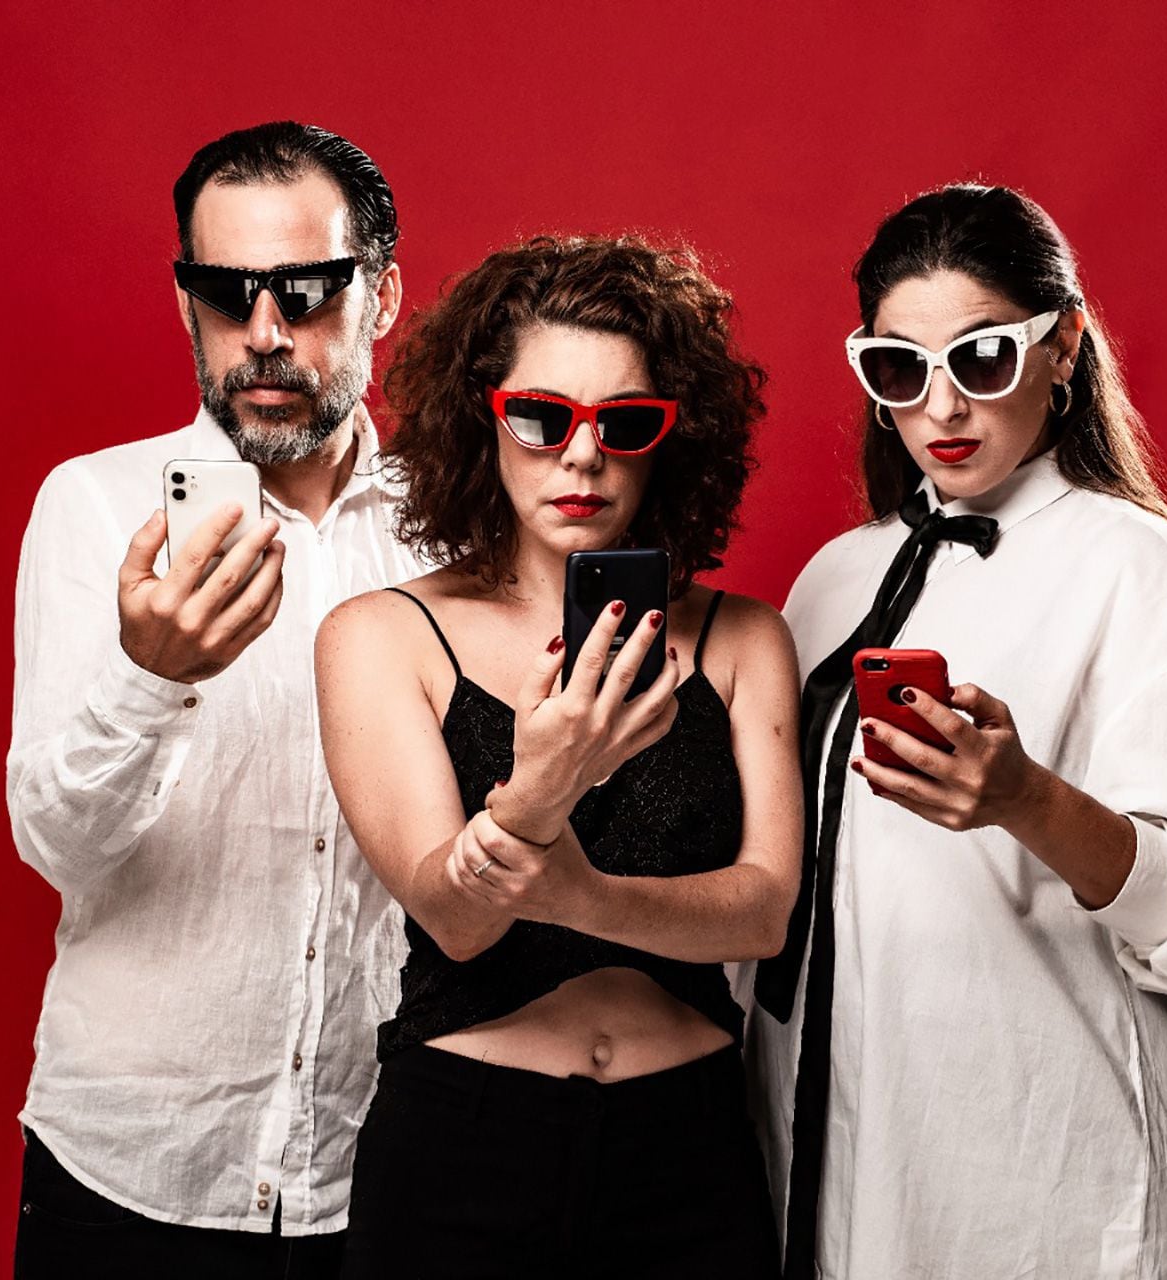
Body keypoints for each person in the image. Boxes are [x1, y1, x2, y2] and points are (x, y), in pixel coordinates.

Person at [748, 183, 1167, 1279]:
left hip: (1068, 1189)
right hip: (853, 1175)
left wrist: (1026, 799)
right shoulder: (830, 583)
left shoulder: (1145, 573)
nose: (942, 406)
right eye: (899, 369)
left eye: (984, 357)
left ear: (1063, 345)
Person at [315, 234, 800, 1276]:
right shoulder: (383, 635)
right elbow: (455, 916)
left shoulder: (744, 638)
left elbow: (765, 911)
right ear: (481, 421)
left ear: (672, 436)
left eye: (623, 422)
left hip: (690, 1149)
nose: (582, 457)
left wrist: (580, 895)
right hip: (462, 1146)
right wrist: (541, 788)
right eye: (541, 418)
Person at [7, 122, 417, 1276]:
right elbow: (56, 842)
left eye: (306, 290)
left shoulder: (456, 529)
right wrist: (154, 676)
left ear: (383, 295)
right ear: (185, 298)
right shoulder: (98, 507)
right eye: (227, 293)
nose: (265, 333)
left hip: (381, 1170)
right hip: (132, 1170)